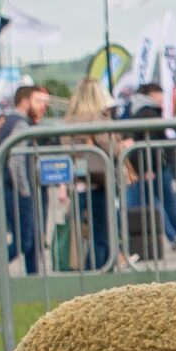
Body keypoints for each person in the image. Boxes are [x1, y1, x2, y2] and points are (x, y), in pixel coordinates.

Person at [0, 85, 49, 276]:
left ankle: (33, 279)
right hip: (18, 190)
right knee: (25, 240)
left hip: (10, 187)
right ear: (25, 101)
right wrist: (24, 189)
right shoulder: (20, 124)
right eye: (38, 101)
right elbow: (16, 161)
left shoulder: (7, 123)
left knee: (31, 241)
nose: (42, 106)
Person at [61, 79, 118, 271]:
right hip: (99, 183)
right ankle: (96, 276)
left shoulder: (68, 121)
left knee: (84, 234)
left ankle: (87, 271)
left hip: (78, 184)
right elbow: (110, 147)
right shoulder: (98, 119)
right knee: (101, 236)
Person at [122, 83, 176, 249]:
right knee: (161, 204)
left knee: (151, 203)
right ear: (151, 94)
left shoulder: (132, 110)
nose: (161, 98)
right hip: (154, 168)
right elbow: (157, 143)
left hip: (145, 167)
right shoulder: (149, 113)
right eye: (159, 94)